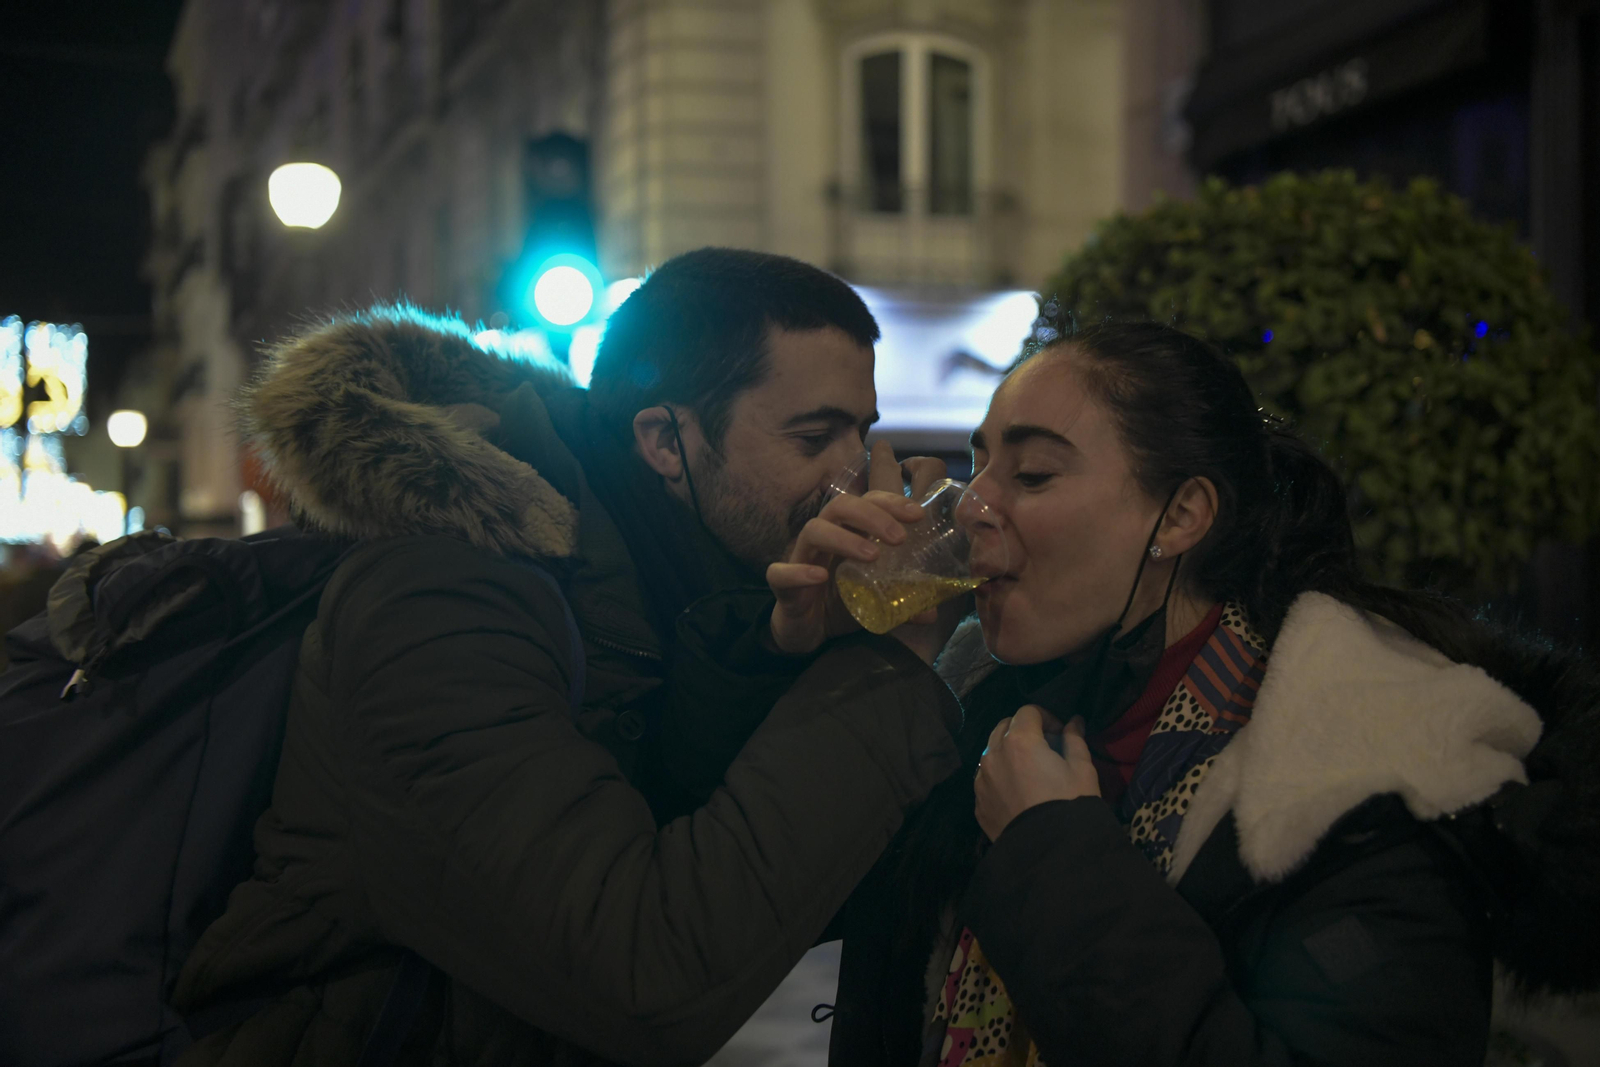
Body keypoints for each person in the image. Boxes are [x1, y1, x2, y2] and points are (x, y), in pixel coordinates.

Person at [170, 248, 965, 1065]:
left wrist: (784, 650)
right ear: (665, 440)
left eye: (862, 433)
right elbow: (640, 972)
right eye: (815, 437)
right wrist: (890, 664)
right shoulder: (441, 600)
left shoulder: (695, 585)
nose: (855, 475)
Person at [765, 321, 1600, 1066]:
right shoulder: (991, 706)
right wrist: (862, 664)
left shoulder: (1368, 778)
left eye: (1033, 472)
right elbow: (775, 929)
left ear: (1180, 517)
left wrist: (1056, 856)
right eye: (981, 462)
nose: (974, 502)